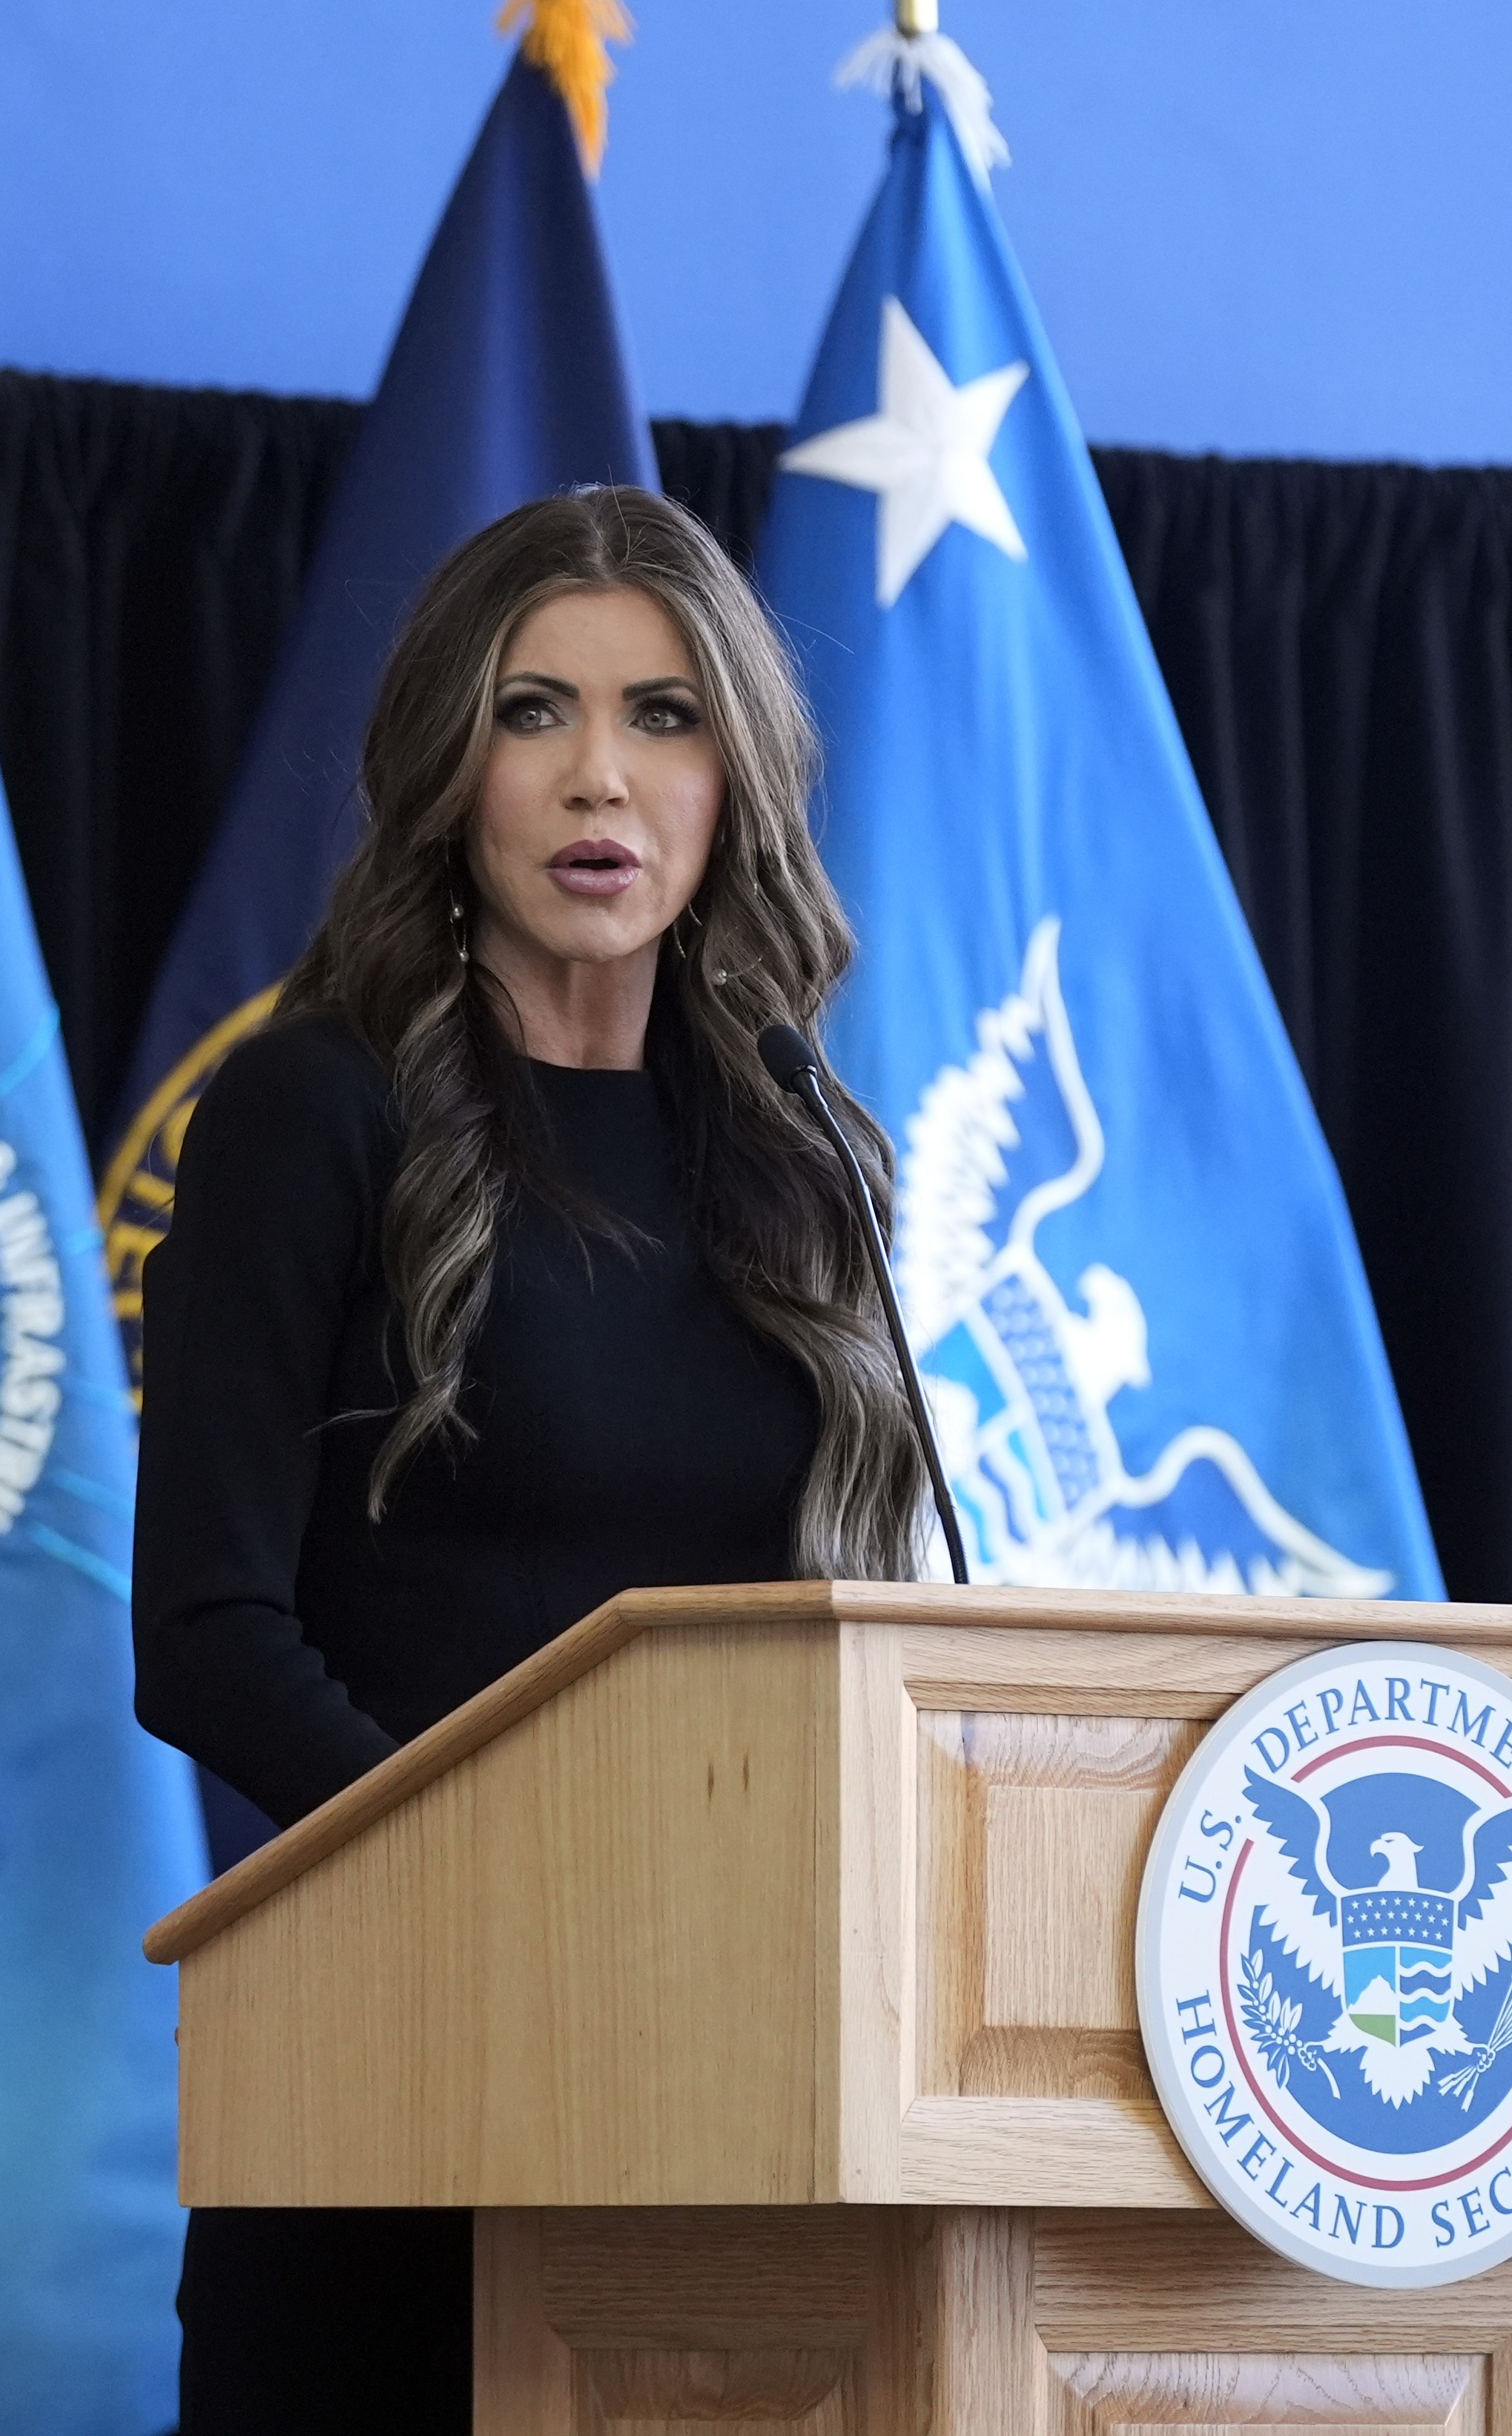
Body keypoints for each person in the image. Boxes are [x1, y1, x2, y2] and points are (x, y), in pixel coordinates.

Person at [131, 485, 933, 2432]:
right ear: (446, 766)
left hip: (727, 2080)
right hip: (388, 2066)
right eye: (532, 712)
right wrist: (516, 1896)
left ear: (733, 775)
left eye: (663, 715)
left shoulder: (793, 1143)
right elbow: (209, 1630)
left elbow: (850, 1609)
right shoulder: (309, 1105)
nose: (601, 776)